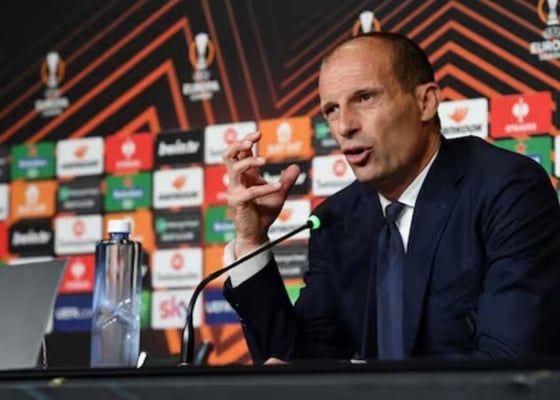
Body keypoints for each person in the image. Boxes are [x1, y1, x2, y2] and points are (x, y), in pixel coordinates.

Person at [221, 31, 560, 364]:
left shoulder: (507, 188)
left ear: (425, 102)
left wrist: (359, 382)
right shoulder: (337, 218)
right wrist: (252, 241)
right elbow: (297, 367)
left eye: (365, 98)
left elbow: (507, 365)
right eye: (331, 109)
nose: (344, 126)